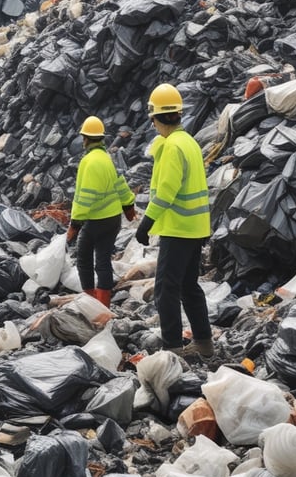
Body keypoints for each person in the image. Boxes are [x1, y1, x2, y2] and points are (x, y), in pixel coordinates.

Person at [135, 84, 214, 358]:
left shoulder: (171, 147)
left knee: (165, 289)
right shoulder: (189, 142)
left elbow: (166, 193)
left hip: (178, 228)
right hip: (196, 227)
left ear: (155, 117)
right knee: (189, 287)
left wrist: (146, 223)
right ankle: (204, 343)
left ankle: (172, 349)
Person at [67, 116, 137, 308]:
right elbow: (120, 184)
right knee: (103, 261)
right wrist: (128, 206)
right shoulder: (107, 158)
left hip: (96, 221)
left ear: (85, 139)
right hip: (113, 220)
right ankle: (104, 306)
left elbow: (84, 198)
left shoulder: (88, 162)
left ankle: (90, 304)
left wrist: (74, 225)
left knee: (84, 260)